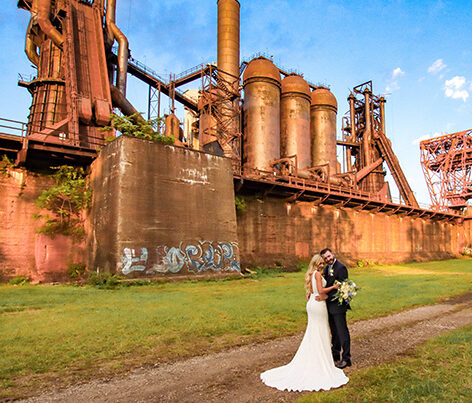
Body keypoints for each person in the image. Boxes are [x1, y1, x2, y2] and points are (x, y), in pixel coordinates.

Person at [260, 254, 349, 392]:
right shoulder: (318, 275)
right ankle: (320, 360)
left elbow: (312, 290)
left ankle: (317, 356)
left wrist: (316, 294)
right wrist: (334, 287)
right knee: (320, 331)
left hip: (313, 303)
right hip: (318, 306)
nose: (322, 265)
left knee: (314, 331)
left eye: (322, 263)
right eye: (319, 263)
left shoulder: (311, 274)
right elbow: (321, 291)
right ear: (315, 263)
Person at [319, 248, 351, 369]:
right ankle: (335, 353)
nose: (328, 259)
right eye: (325, 258)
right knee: (334, 332)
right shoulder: (327, 268)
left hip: (338, 306)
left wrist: (329, 292)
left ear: (333, 254)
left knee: (342, 332)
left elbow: (343, 287)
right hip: (329, 305)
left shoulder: (341, 267)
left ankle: (347, 358)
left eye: (329, 256)